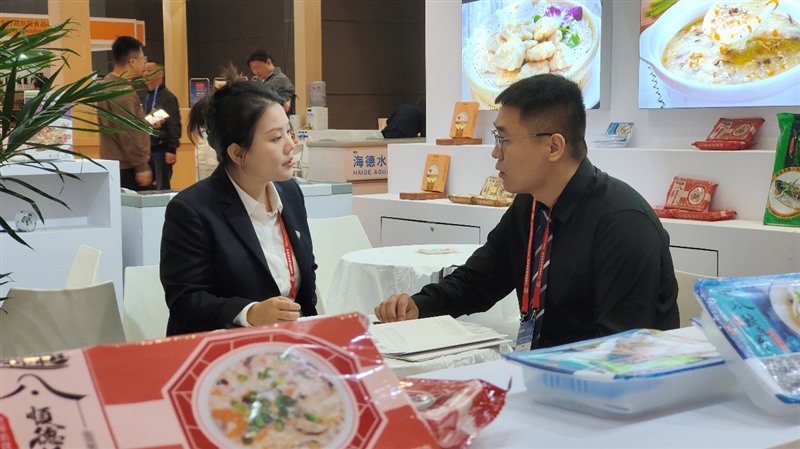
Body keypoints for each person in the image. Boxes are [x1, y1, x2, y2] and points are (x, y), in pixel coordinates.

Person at [375, 74, 679, 349]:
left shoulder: (623, 223)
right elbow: (477, 282)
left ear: (554, 147)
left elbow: (622, 347)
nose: (495, 152)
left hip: (601, 379)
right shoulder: (530, 205)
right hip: (541, 370)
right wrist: (418, 306)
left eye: (504, 139)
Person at [160, 70, 317, 336]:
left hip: (288, 345)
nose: (291, 145)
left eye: (288, 132)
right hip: (224, 349)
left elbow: (306, 276)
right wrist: (250, 313)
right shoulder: (192, 210)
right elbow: (186, 302)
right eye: (276, 138)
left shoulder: (290, 193)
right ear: (237, 153)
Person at [98, 36, 152, 191]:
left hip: (113, 163)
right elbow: (128, 133)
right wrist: (141, 166)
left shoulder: (106, 84)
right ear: (132, 61)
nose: (144, 63)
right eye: (143, 59)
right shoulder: (123, 92)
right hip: (128, 168)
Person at [140, 60, 182, 190]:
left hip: (161, 149)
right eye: (144, 71)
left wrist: (171, 149)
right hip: (147, 149)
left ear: (160, 73)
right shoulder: (145, 96)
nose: (145, 74)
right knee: (147, 187)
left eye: (149, 70)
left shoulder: (168, 97)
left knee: (161, 187)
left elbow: (174, 124)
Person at [246, 48, 295, 114]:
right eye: (253, 69)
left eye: (258, 67)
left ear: (268, 62)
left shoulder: (281, 80)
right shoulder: (258, 81)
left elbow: (285, 106)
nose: (256, 71)